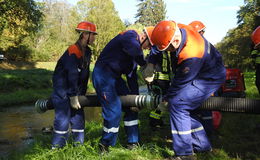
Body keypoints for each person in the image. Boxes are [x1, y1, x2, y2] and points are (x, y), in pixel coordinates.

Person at [145, 20, 226, 160]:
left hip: (208, 77)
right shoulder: (175, 28)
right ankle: (202, 146)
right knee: (188, 109)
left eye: (168, 50)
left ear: (175, 42)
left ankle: (185, 154)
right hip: (198, 70)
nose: (167, 52)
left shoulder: (191, 53)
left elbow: (180, 84)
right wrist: (150, 64)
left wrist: (166, 99)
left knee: (178, 104)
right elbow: (157, 47)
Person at [92, 27, 153, 153]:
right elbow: (135, 50)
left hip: (115, 78)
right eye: (149, 45)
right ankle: (104, 146)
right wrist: (145, 64)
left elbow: (132, 77)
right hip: (103, 75)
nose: (147, 48)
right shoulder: (130, 35)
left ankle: (133, 142)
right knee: (114, 111)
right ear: (144, 37)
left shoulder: (134, 53)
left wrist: (135, 99)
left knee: (131, 107)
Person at [50, 21, 97, 148]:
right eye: (93, 35)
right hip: (63, 92)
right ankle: (56, 150)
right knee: (62, 121)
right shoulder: (73, 50)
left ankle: (78, 147)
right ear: (85, 34)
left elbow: (84, 73)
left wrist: (80, 93)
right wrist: (72, 95)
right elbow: (72, 73)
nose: (94, 37)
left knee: (78, 120)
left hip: (76, 92)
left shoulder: (87, 52)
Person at [189, 20, 216, 137]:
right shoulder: (206, 46)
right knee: (202, 111)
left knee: (203, 111)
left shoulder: (201, 47)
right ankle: (204, 135)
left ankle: (205, 135)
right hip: (202, 85)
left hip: (201, 85)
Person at [147, 47, 172, 129]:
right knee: (161, 102)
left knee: (160, 101)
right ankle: (154, 120)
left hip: (164, 81)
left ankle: (157, 121)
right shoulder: (156, 49)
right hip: (159, 81)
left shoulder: (163, 51)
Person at [251, 26, 260, 94]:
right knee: (258, 82)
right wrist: (255, 49)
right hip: (259, 66)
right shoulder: (256, 48)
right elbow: (253, 55)